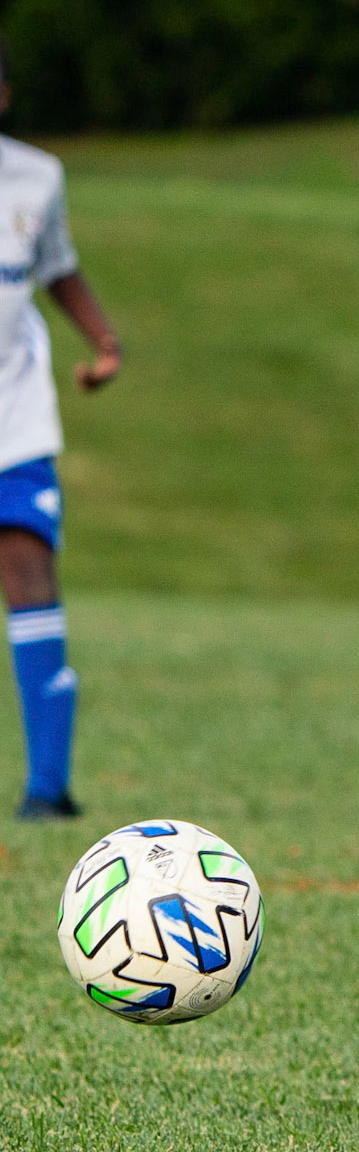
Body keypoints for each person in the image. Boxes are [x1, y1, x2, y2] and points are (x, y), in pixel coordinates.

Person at [0, 40, 122, 818]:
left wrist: (103, 342)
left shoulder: (37, 176)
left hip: (14, 416)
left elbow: (56, 268)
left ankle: (48, 787)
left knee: (29, 571)